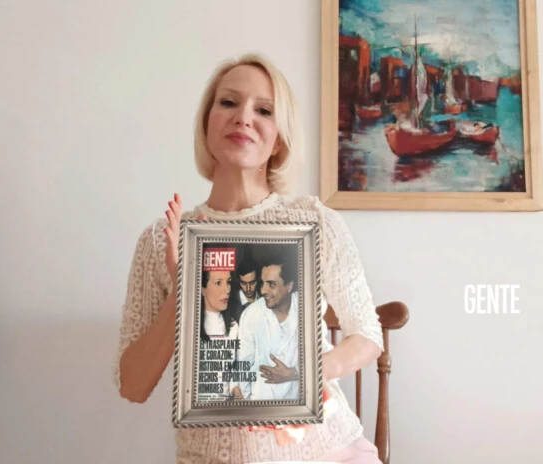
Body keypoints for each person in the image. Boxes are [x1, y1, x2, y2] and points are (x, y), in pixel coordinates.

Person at [115, 53, 384, 463]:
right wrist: (186, 291)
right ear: (206, 123)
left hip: (324, 451)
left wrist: (304, 374)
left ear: (280, 137)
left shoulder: (316, 222)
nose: (243, 118)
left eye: (264, 110)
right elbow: (133, 386)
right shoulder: (162, 240)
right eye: (228, 102)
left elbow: (368, 337)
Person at [231, 254, 300, 401]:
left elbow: (322, 360)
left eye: (271, 284)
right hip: (260, 403)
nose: (263, 291)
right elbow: (244, 363)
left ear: (289, 286)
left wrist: (293, 374)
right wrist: (246, 403)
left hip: (298, 404)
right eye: (263, 283)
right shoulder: (252, 314)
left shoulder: (306, 307)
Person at [198, 269, 239, 402]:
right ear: (203, 289)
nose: (227, 290)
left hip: (224, 407)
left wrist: (235, 389)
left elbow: (233, 369)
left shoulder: (233, 326)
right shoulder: (192, 326)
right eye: (218, 283)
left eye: (228, 282)